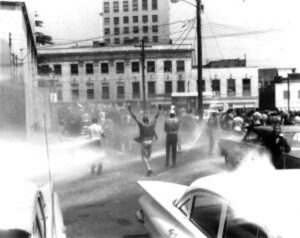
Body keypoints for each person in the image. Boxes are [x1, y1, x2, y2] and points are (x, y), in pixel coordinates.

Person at [128, 104, 161, 176]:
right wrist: (159, 109)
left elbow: (135, 118)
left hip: (144, 142)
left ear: (143, 121)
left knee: (143, 157)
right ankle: (148, 166)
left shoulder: (141, 125)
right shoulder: (152, 124)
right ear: (148, 120)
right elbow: (156, 116)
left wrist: (130, 110)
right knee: (148, 157)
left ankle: (149, 169)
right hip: (150, 142)